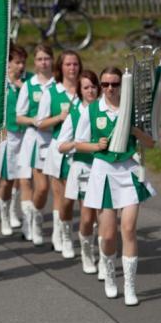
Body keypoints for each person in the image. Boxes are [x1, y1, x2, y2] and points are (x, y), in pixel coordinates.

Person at [74, 66, 156, 306]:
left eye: (115, 84)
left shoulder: (132, 110)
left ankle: (130, 286)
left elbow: (150, 143)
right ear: (101, 86)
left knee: (128, 230)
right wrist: (96, 145)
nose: (110, 89)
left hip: (128, 169)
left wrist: (134, 130)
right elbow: (78, 144)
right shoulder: (92, 110)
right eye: (106, 84)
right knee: (108, 235)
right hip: (104, 172)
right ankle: (110, 274)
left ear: (123, 85)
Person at [37, 50, 82, 255]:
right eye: (68, 65)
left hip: (81, 150)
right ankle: (60, 232)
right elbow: (40, 123)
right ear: (60, 67)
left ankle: (71, 232)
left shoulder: (85, 90)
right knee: (61, 195)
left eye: (75, 64)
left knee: (77, 196)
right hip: (59, 149)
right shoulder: (51, 92)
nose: (72, 68)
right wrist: (59, 117)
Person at [58, 69, 101, 272]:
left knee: (102, 215)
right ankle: (86, 250)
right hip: (82, 166)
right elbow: (61, 145)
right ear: (80, 91)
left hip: (104, 167)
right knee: (86, 215)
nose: (90, 91)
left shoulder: (106, 110)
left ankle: (99, 249)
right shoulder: (75, 114)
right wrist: (80, 144)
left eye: (93, 86)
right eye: (86, 87)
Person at [15, 44, 55, 244]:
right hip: (34, 140)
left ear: (52, 60)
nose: (43, 62)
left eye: (46, 58)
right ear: (35, 63)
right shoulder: (30, 85)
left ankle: (38, 220)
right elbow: (19, 116)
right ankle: (31, 221)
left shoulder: (58, 85)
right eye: (39, 59)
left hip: (56, 140)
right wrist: (34, 121)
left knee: (51, 187)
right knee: (38, 186)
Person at [0, 44, 29, 236]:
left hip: (26, 135)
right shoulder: (0, 83)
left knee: (21, 178)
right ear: (8, 64)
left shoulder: (28, 82)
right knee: (5, 179)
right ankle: (3, 212)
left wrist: (25, 88)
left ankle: (12, 209)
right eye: (17, 62)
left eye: (23, 62)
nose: (21, 66)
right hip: (6, 136)